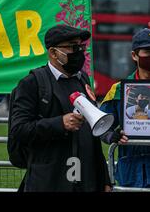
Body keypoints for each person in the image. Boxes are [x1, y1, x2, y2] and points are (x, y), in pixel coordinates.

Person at [9, 24, 111, 192]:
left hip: (85, 181)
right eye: (72, 47)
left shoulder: (82, 79)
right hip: (50, 180)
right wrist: (60, 123)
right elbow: (19, 129)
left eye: (80, 46)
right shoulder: (32, 83)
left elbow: (91, 134)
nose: (78, 51)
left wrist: (104, 178)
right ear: (53, 53)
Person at [100, 28, 150, 188]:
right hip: (130, 171)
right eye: (147, 51)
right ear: (134, 56)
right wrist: (112, 136)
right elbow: (101, 126)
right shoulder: (118, 90)